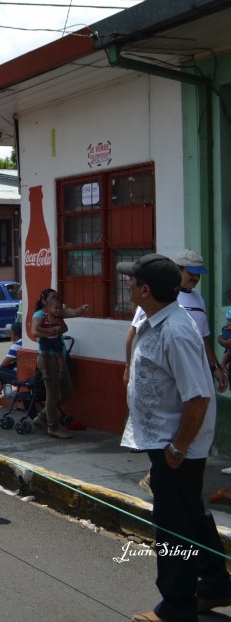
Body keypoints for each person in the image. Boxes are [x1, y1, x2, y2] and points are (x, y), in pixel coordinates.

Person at [118, 254, 231, 622]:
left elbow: (198, 396)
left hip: (176, 449)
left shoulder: (175, 330)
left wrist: (179, 448)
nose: (128, 284)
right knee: (191, 518)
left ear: (146, 289)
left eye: (132, 281)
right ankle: (216, 584)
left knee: (174, 533)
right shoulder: (157, 320)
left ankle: (176, 609)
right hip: (165, 444)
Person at [30, 294, 74, 439]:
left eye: (59, 307)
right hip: (47, 358)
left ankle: (42, 417)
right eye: (55, 306)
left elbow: (64, 328)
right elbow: (35, 331)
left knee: (67, 392)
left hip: (60, 354)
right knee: (52, 394)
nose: (58, 309)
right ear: (46, 305)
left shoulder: (59, 317)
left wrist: (57, 328)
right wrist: (51, 331)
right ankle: (52, 426)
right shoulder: (40, 316)